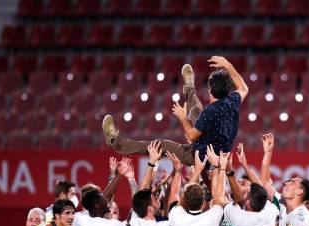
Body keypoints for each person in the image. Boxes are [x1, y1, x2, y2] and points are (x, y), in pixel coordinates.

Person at [102, 56, 248, 165]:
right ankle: (189, 88)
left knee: (161, 145)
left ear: (210, 91)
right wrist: (227, 65)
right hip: (218, 149)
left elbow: (191, 136)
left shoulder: (210, 111)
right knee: (197, 110)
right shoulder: (232, 101)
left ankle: (116, 142)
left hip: (201, 156)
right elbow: (243, 88)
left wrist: (182, 116)